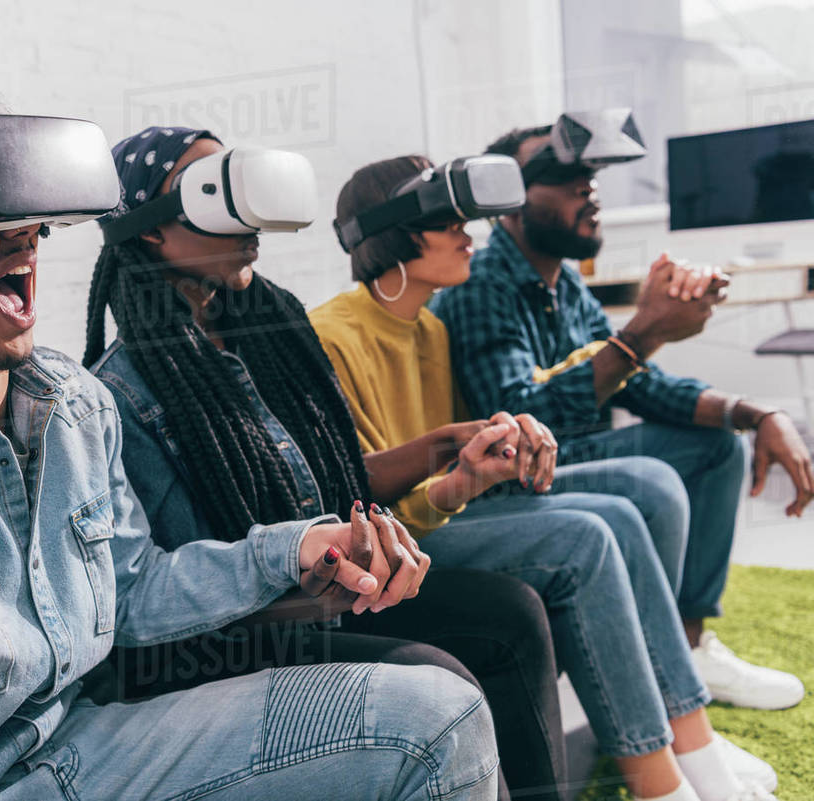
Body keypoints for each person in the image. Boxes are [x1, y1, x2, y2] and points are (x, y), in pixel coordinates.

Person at [0, 66, 500, 801]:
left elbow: (131, 589)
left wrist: (292, 550)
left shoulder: (73, 403)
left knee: (435, 715)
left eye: (18, 207)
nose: (23, 234)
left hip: (88, 749)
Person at [86, 127, 567, 801]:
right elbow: (157, 594)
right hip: (238, 639)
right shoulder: (122, 394)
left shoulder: (271, 331)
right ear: (149, 230)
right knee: (435, 673)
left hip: (326, 602)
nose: (244, 215)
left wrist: (451, 443)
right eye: (211, 191)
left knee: (509, 613)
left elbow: (340, 476)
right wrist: (303, 577)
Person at [311, 155, 781, 801]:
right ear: (394, 233)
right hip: (403, 544)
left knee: (619, 514)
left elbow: (472, 453)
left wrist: (486, 461)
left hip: (447, 514)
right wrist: (464, 470)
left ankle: (692, 743)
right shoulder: (331, 335)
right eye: (448, 221)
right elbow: (363, 504)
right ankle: (661, 784)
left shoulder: (431, 328)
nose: (469, 233)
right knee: (586, 535)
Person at [430, 123, 810, 712]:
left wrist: (755, 412)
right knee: (651, 482)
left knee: (718, 445)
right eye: (562, 176)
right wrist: (644, 332)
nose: (588, 188)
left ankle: (689, 645)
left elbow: (640, 384)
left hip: (570, 459)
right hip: (502, 480)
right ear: (509, 204)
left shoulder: (565, 280)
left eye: (590, 174)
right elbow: (520, 423)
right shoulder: (482, 285)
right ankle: (656, 662)